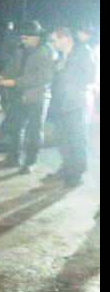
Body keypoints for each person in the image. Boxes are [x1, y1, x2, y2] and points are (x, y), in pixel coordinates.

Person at [0, 20, 57, 174]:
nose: (22, 41)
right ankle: (13, 158)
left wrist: (14, 82)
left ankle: (30, 162)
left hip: (37, 97)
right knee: (15, 127)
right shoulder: (22, 49)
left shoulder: (47, 52)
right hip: (19, 95)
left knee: (34, 132)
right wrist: (3, 76)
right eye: (22, 38)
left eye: (25, 38)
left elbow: (41, 77)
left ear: (36, 37)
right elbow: (13, 66)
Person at [45, 27, 96, 187]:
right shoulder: (61, 57)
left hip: (76, 103)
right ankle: (67, 168)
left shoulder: (82, 52)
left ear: (65, 39)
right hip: (61, 104)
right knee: (63, 140)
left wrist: (73, 84)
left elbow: (91, 75)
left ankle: (76, 174)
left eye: (54, 40)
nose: (52, 44)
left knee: (77, 140)